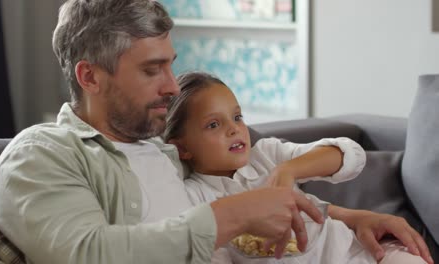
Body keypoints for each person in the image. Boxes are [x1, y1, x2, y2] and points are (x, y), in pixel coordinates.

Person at [0, 0, 432, 264]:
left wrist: (355, 218)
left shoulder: (170, 148)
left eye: (171, 65)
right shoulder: (43, 154)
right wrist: (235, 215)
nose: (172, 86)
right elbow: (86, 253)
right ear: (90, 77)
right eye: (151, 70)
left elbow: (249, 183)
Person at [163, 71, 433, 264]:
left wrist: (288, 170)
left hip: (357, 253)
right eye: (213, 124)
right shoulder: (194, 198)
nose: (234, 129)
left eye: (237, 117)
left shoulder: (268, 155)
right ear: (182, 148)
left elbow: (349, 155)